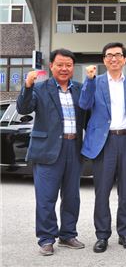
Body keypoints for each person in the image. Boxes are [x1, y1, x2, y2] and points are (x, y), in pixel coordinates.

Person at [17, 49, 87, 256]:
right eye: (60, 65)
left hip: (73, 148)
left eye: (68, 65)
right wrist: (27, 86)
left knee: (72, 196)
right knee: (46, 198)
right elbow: (23, 108)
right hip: (48, 150)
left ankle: (68, 234)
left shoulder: (80, 89)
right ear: (52, 66)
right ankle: (46, 239)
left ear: (73, 68)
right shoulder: (40, 88)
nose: (64, 69)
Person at [79, 42, 126, 253]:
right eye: (109, 55)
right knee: (102, 192)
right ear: (104, 59)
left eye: (118, 55)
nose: (114, 59)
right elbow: (84, 104)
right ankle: (102, 235)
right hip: (104, 143)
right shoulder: (96, 81)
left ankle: (125, 233)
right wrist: (88, 80)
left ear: (124, 60)